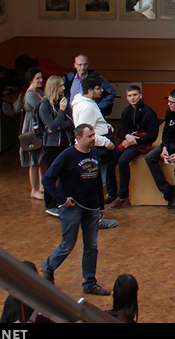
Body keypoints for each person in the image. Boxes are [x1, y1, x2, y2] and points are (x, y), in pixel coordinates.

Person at [41, 124, 111, 296]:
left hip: (92, 207)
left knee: (91, 246)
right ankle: (48, 267)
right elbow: (47, 179)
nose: (93, 139)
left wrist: (101, 206)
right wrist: (62, 200)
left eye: (94, 135)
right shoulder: (66, 155)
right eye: (89, 136)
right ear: (78, 138)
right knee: (68, 245)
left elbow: (96, 182)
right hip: (72, 208)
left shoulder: (94, 153)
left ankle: (90, 283)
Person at [71, 75, 118, 204]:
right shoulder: (87, 107)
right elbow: (86, 134)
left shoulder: (86, 103)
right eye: (98, 88)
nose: (102, 90)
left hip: (99, 146)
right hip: (97, 148)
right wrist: (107, 143)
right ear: (90, 90)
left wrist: (104, 126)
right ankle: (94, 211)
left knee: (98, 179)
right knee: (95, 180)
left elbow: (92, 124)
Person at [110, 85, 159, 208]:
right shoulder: (126, 112)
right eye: (129, 96)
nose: (132, 98)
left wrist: (134, 141)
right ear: (126, 98)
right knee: (111, 157)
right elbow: (121, 130)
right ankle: (111, 193)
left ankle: (122, 195)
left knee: (123, 160)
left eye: (135, 95)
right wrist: (127, 137)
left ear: (140, 95)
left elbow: (153, 135)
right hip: (129, 140)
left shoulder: (149, 112)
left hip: (142, 143)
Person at [39, 75, 74, 216]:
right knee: (52, 175)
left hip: (66, 143)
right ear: (54, 87)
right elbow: (51, 127)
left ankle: (63, 201)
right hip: (52, 145)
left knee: (66, 174)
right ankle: (50, 204)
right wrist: (60, 112)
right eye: (60, 86)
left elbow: (72, 123)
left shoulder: (63, 101)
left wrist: (60, 125)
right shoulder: (44, 105)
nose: (63, 88)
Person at [19, 67, 45, 200]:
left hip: (39, 127)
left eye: (41, 77)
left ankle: (42, 185)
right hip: (32, 128)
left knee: (41, 158)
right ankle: (34, 189)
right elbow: (41, 108)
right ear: (31, 80)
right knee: (34, 161)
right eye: (37, 78)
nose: (41, 80)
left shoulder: (39, 91)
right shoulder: (30, 94)